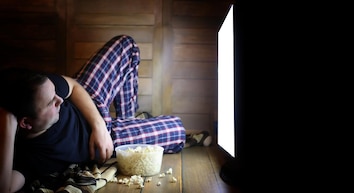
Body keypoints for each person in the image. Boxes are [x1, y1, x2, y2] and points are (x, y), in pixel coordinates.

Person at [0, 35, 207, 192]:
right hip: (107, 139)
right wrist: (7, 127)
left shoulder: (38, 86)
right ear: (25, 123)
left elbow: (72, 86)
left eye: (55, 93)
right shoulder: (25, 157)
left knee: (127, 45)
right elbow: (5, 187)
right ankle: (128, 131)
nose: (59, 100)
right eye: (51, 103)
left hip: (89, 100)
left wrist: (98, 125)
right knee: (177, 128)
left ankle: (129, 119)